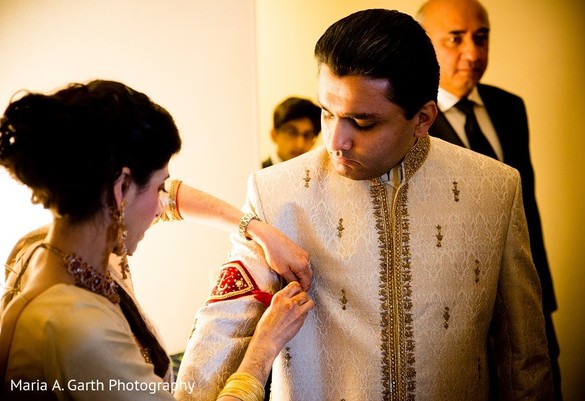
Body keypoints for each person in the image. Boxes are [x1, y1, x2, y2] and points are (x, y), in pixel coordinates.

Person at [175, 9, 554, 401]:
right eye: (327, 112)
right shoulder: (276, 192)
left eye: (363, 122)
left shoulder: (495, 190)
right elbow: (221, 333)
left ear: (422, 118)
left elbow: (523, 357)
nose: (336, 140)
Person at [0, 79, 314, 400]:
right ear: (121, 188)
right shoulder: (79, 329)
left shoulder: (45, 245)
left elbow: (173, 201)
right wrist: (263, 348)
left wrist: (258, 230)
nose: (160, 205)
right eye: (157, 186)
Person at [416, 0, 560, 397]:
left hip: (529, 304)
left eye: (481, 38)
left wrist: (541, 297)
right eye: (456, 39)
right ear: (425, 45)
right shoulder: (408, 120)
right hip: (453, 319)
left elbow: (526, 209)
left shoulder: (509, 107)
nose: (473, 53)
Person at [261, 96, 321, 168]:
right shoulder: (255, 174)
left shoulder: (318, 175)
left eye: (308, 135)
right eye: (292, 133)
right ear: (274, 135)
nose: (300, 144)